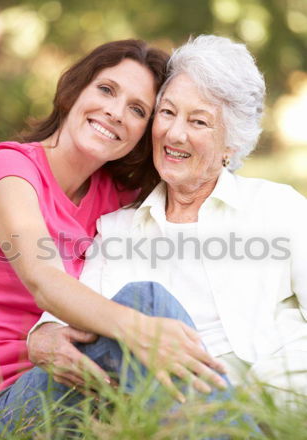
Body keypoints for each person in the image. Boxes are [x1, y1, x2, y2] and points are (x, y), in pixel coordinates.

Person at [32, 34, 307, 408]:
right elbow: (62, 322)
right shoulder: (117, 230)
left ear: (232, 145)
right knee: (146, 300)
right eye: (167, 112)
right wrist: (43, 332)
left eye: (199, 121)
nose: (175, 134)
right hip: (156, 407)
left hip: (263, 403)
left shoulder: (279, 210)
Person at [0, 38, 228, 430]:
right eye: (106, 89)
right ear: (73, 90)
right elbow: (44, 279)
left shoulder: (117, 199)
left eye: (137, 110)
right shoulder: (11, 169)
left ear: (143, 133)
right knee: (143, 300)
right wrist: (141, 329)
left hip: (79, 380)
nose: (116, 112)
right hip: (4, 404)